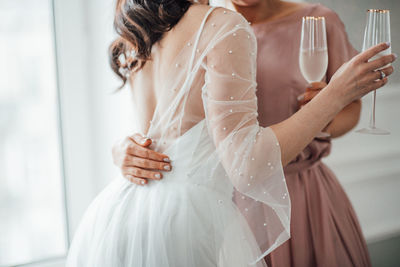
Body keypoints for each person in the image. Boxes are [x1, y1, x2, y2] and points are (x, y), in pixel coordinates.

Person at [67, 1, 395, 266]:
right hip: (228, 202)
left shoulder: (317, 19)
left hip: (299, 195)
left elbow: (350, 111)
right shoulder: (215, 24)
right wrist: (123, 148)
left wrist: (326, 109)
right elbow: (171, 125)